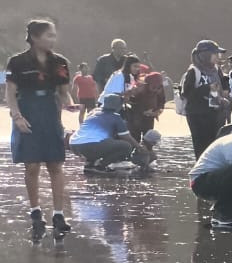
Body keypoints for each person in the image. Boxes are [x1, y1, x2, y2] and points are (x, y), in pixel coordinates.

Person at [6, 18, 75, 237]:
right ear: (35, 37)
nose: (53, 39)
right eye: (49, 35)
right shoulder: (17, 62)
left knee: (56, 164)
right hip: (26, 110)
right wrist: (17, 116)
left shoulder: (60, 62)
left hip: (49, 110)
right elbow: (10, 93)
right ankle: (36, 212)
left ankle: (58, 214)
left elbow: (64, 93)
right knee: (32, 166)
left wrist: (71, 106)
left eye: (54, 35)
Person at [71, 94, 153, 172]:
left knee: (102, 140)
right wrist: (139, 147)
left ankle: (90, 163)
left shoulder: (93, 112)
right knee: (126, 146)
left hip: (74, 144)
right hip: (91, 145)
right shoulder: (115, 117)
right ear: (117, 105)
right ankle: (100, 166)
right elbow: (126, 137)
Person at [179, 41, 232, 156]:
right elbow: (186, 93)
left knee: (215, 145)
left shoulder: (216, 69)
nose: (219, 57)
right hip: (198, 115)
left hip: (216, 113)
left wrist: (225, 91)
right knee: (201, 147)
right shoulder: (194, 71)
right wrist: (207, 88)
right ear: (205, 55)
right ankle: (202, 171)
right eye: (216, 54)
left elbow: (224, 82)